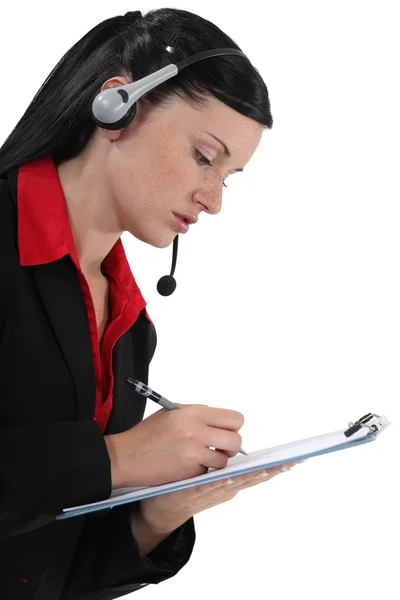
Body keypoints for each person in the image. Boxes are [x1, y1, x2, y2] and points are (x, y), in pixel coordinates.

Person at [0, 8, 303, 600]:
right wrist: (115, 460)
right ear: (118, 107)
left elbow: (44, 569)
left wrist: (154, 514)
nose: (213, 201)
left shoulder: (130, 326)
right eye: (203, 156)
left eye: (230, 176)